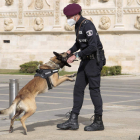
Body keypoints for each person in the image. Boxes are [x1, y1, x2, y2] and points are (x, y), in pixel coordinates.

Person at [57, 3, 105, 131]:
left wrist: (76, 55)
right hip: (85, 62)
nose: (68, 19)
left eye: (69, 16)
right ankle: (73, 120)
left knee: (94, 90)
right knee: (78, 89)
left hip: (94, 61)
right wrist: (69, 51)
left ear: (76, 15)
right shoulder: (78, 26)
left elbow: (93, 46)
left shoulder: (88, 25)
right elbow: (79, 43)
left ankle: (98, 121)